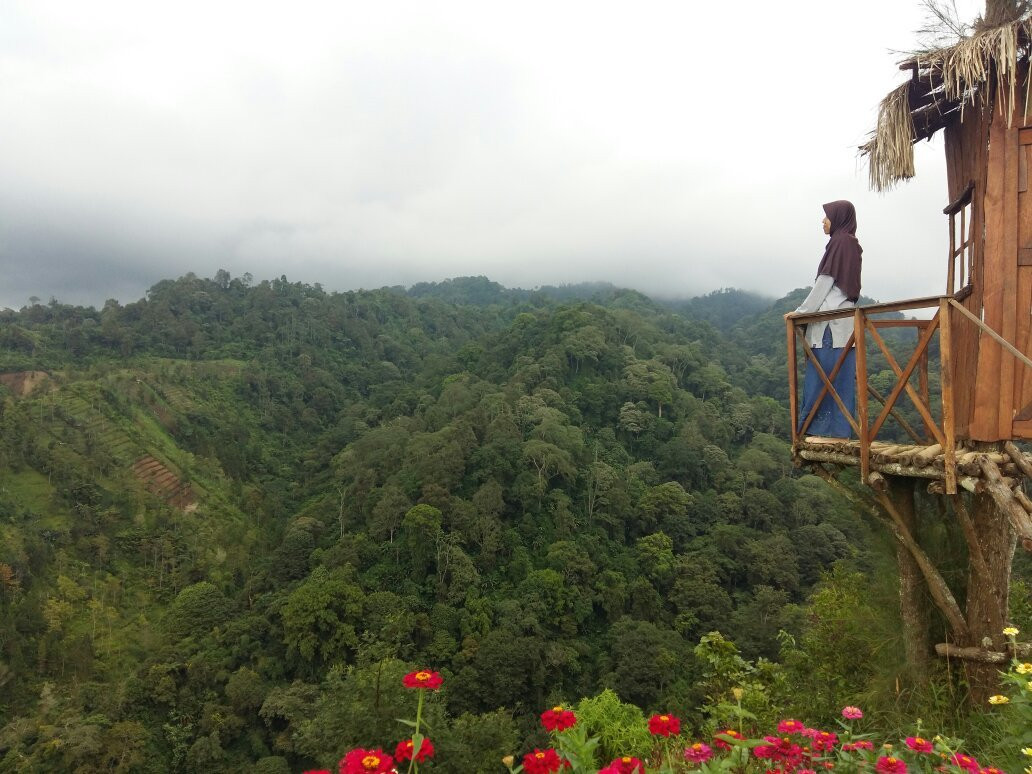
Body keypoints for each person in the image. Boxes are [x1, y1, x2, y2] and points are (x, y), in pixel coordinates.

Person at [786, 200, 863, 440]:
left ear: (838, 218)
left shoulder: (840, 243)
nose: (823, 221)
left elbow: (824, 284)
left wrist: (800, 312)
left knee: (823, 377)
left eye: (826, 216)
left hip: (831, 323)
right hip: (845, 322)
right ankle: (839, 431)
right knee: (840, 379)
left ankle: (814, 430)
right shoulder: (851, 244)